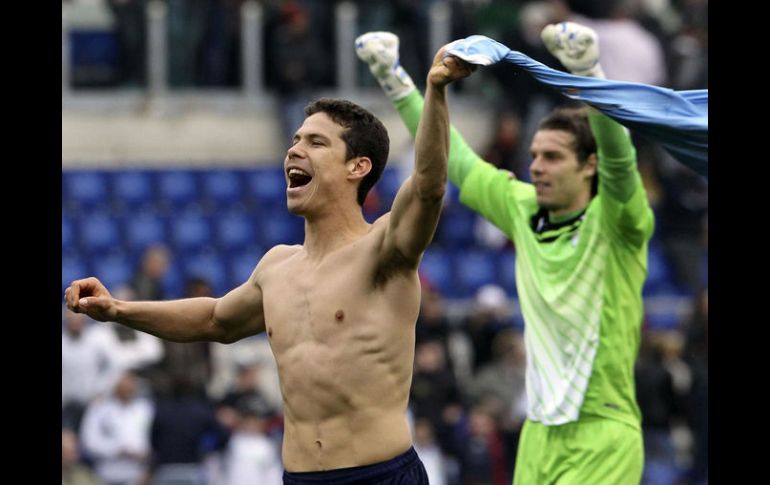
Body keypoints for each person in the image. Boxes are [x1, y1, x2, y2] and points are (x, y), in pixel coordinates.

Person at [65, 46, 476, 483]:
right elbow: (214, 320)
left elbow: (429, 186)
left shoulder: (384, 250)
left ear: (358, 166)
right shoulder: (277, 267)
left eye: (315, 142)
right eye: (295, 139)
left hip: (380, 475)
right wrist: (118, 311)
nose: (295, 150)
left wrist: (435, 91)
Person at [356, 21, 653, 484]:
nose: (536, 167)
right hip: (537, 434)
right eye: (534, 155)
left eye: (552, 157)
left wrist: (588, 73)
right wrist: (397, 79)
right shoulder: (522, 208)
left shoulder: (618, 220)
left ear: (589, 166)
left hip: (603, 432)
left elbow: (620, 158)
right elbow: (454, 160)